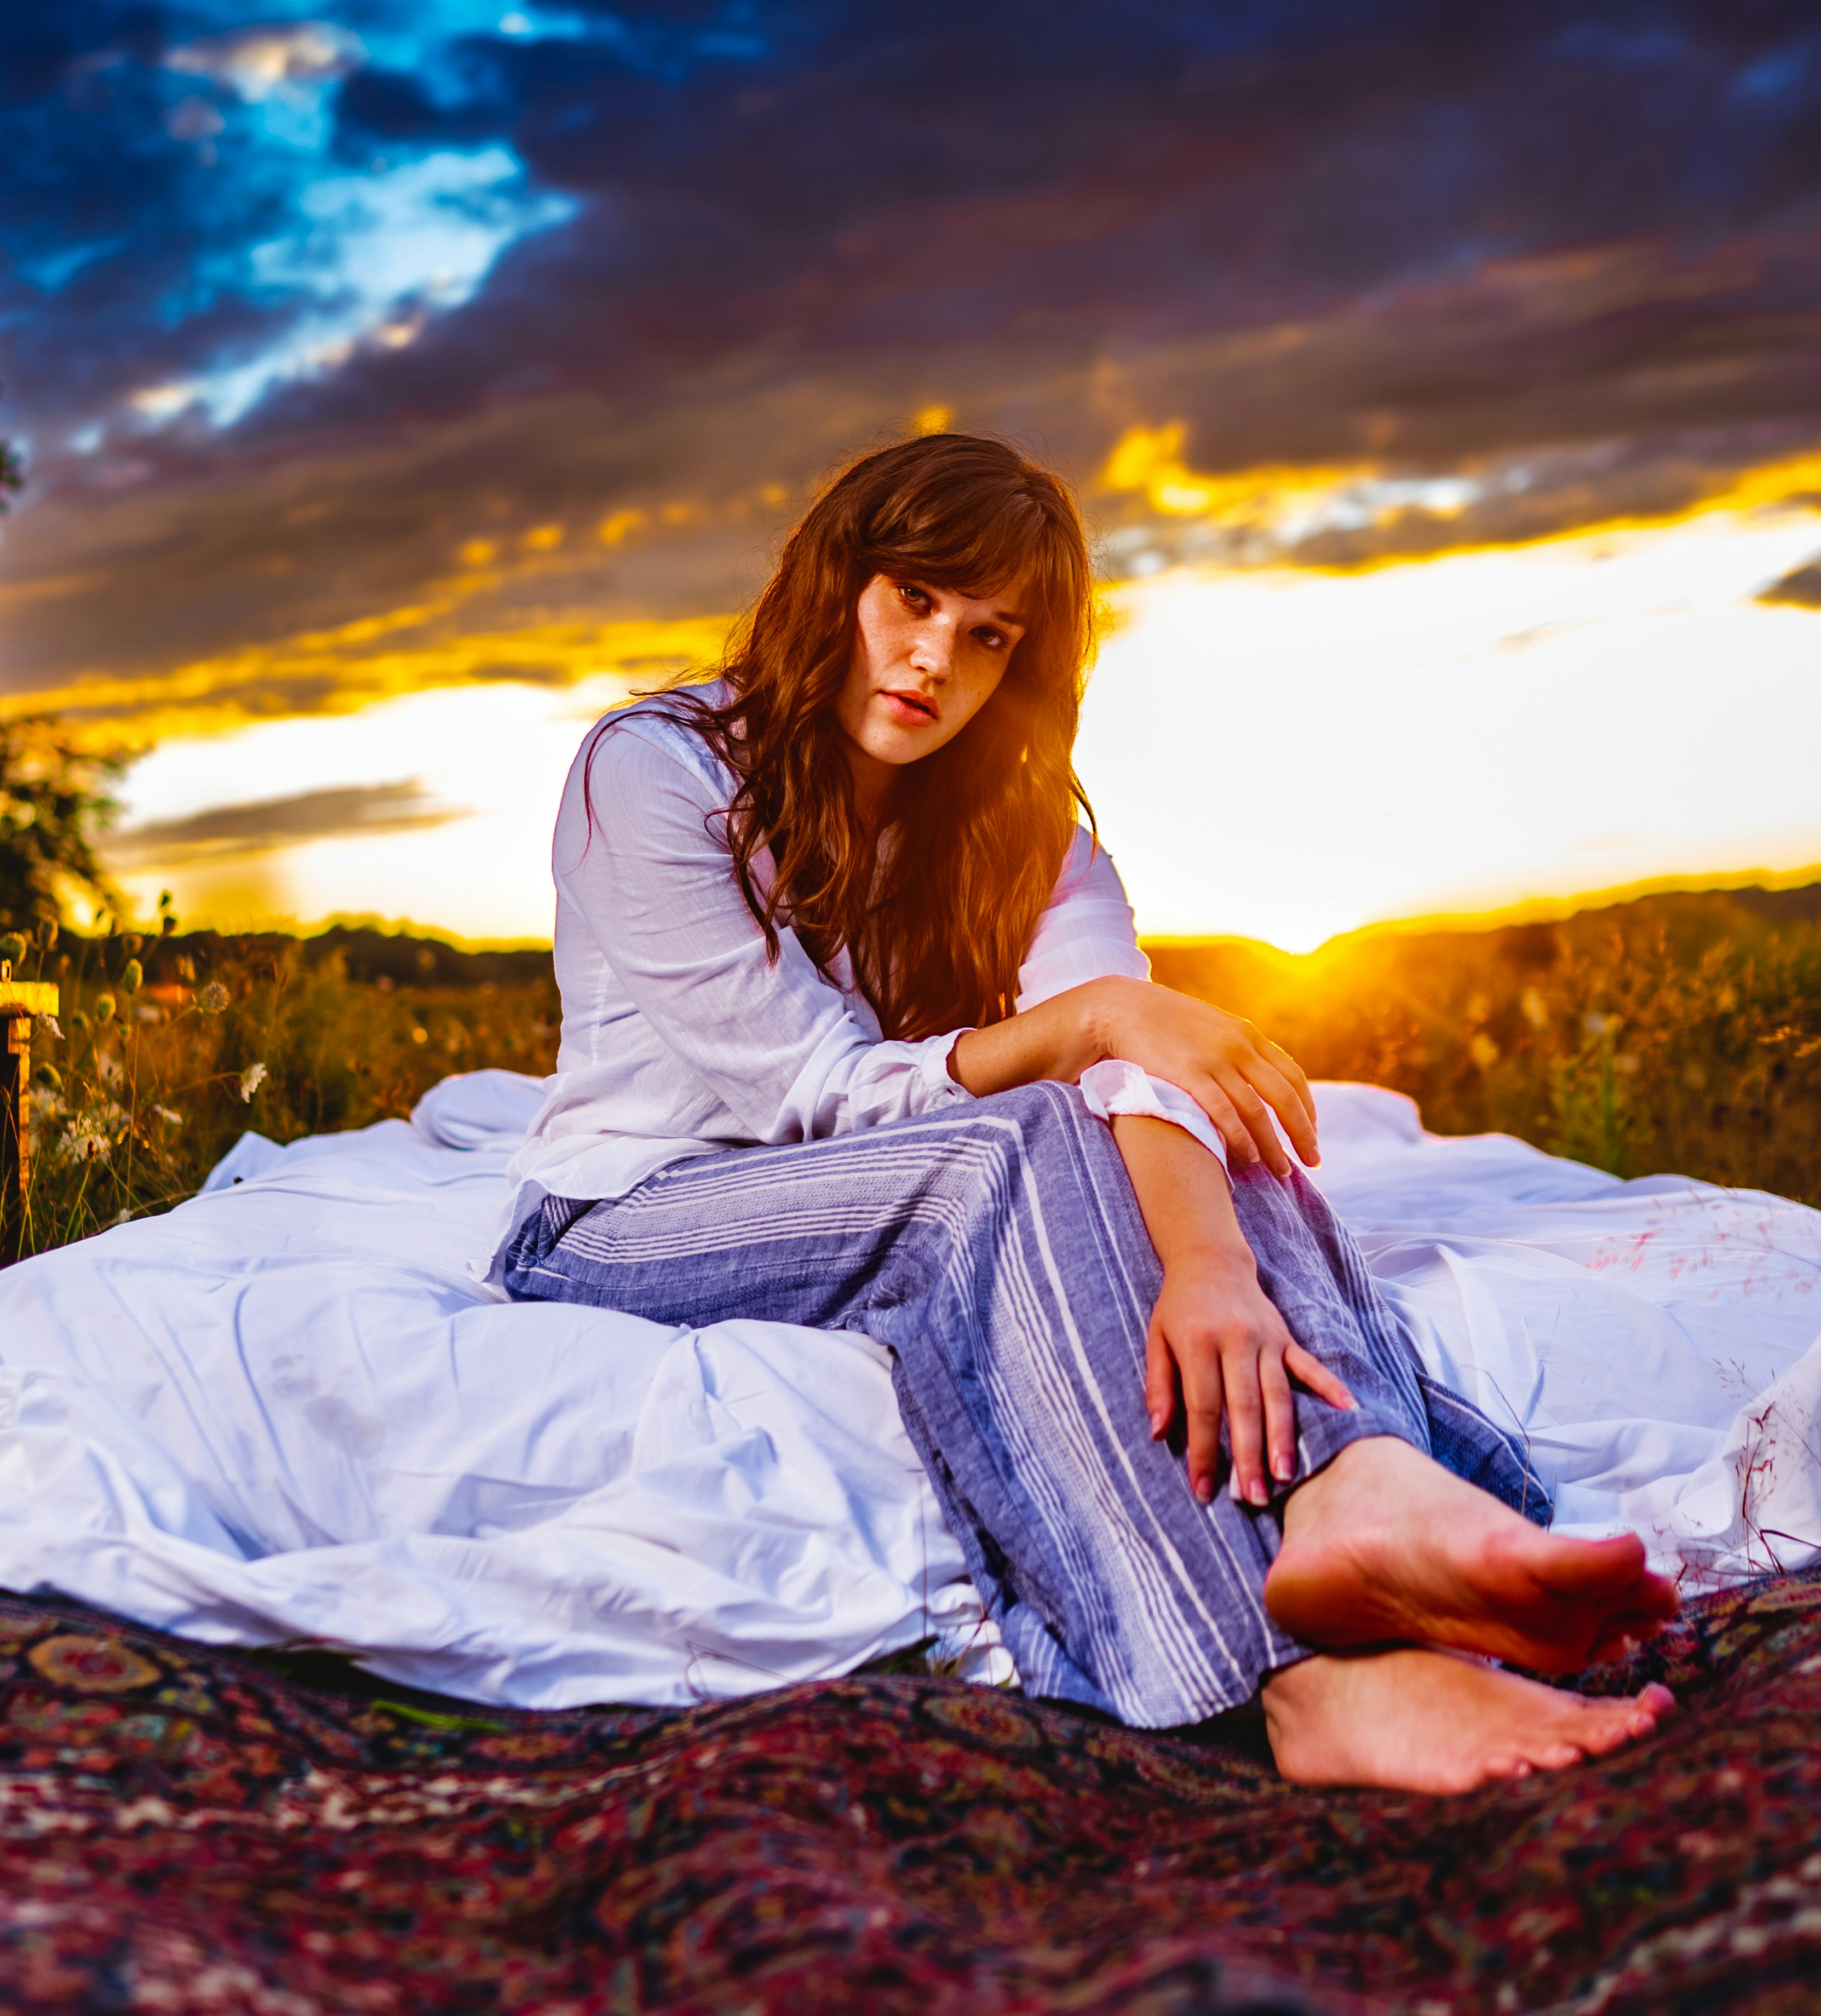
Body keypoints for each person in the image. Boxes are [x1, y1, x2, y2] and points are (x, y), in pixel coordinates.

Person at [491, 433, 1680, 1791]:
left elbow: (1141, 1061)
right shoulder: (658, 772)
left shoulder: (1018, 822)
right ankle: (1287, 1686)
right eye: (915, 599)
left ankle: (1360, 1484)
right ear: (837, 581)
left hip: (873, 1174)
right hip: (628, 1210)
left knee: (1203, 1102)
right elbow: (823, 1094)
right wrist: (1088, 1026)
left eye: (989, 635)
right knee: (1019, 1135)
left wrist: (1212, 1265)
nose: (938, 658)